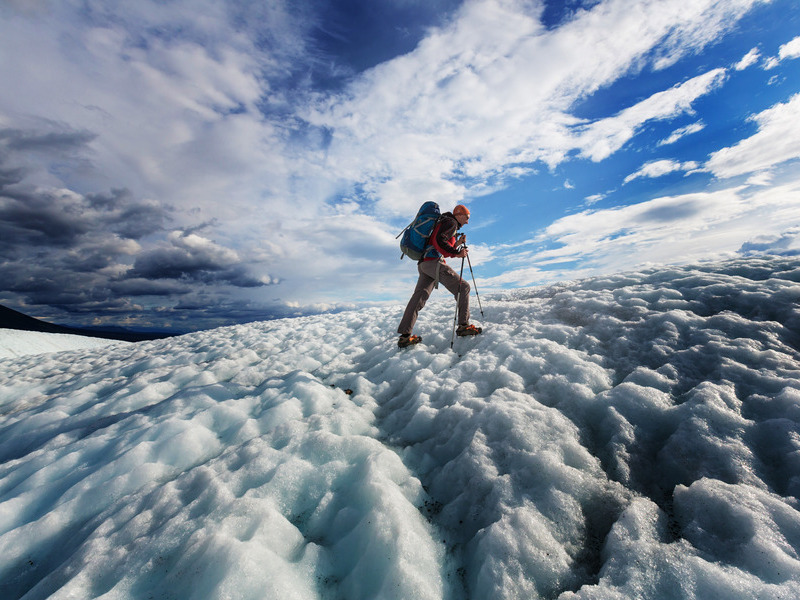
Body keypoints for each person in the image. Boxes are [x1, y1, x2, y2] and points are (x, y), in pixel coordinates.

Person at [397, 204, 482, 347]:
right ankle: (463, 326)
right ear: (459, 215)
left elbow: (439, 244)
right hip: (433, 263)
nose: (467, 221)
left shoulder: (443, 222)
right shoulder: (451, 222)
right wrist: (457, 253)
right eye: (467, 217)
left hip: (424, 264)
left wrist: (457, 244)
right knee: (464, 288)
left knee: (417, 299)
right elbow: (439, 242)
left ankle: (405, 336)